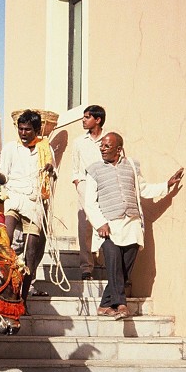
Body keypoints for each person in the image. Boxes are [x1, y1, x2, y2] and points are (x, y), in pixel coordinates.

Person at [82, 132, 184, 320]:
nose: (102, 149)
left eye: (107, 146)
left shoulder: (131, 166)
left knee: (124, 269)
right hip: (108, 227)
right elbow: (89, 202)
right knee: (113, 263)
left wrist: (167, 185)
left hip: (132, 225)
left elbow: (143, 189)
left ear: (119, 149)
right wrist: (100, 223)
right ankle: (121, 304)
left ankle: (105, 305)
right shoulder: (94, 170)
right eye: (101, 146)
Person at [0, 110, 56, 302]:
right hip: (13, 199)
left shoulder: (45, 149)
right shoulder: (10, 148)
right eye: (21, 129)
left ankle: (23, 298)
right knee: (5, 245)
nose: (24, 133)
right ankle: (2, 290)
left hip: (34, 204)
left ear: (36, 130)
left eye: (28, 130)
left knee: (31, 255)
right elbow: (3, 178)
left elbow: (53, 175)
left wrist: (50, 169)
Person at [71, 104, 106, 280]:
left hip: (105, 186)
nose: (83, 121)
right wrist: (79, 185)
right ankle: (86, 267)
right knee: (85, 226)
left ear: (97, 120)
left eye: (87, 117)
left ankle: (107, 262)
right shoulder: (79, 142)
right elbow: (75, 169)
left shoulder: (108, 140)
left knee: (107, 222)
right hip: (85, 184)